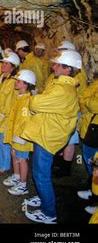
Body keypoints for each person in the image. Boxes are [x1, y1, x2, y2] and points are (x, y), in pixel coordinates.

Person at [21, 50, 81, 224]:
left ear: (68, 69)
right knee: (41, 173)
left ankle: (49, 212)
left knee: (41, 175)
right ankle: (43, 199)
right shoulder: (60, 85)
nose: (53, 67)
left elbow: (34, 103)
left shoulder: (63, 90)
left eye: (58, 65)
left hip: (48, 137)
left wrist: (36, 100)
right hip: (45, 132)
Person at [50, 41, 88, 177]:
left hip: (71, 111)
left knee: (70, 140)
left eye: (62, 51)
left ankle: (65, 168)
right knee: (62, 139)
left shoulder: (77, 74)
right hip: (62, 110)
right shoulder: (64, 71)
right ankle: (59, 163)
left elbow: (77, 95)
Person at [3, 69, 36, 195]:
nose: (16, 82)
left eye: (18, 81)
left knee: (22, 159)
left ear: (26, 84)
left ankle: (23, 185)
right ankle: (16, 176)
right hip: (14, 134)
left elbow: (27, 121)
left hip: (22, 137)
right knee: (14, 154)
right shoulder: (19, 97)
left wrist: (22, 137)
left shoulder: (28, 101)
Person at [76, 77, 98, 215]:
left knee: (93, 160)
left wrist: (88, 100)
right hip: (93, 123)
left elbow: (93, 104)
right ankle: (93, 191)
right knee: (90, 158)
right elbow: (83, 97)